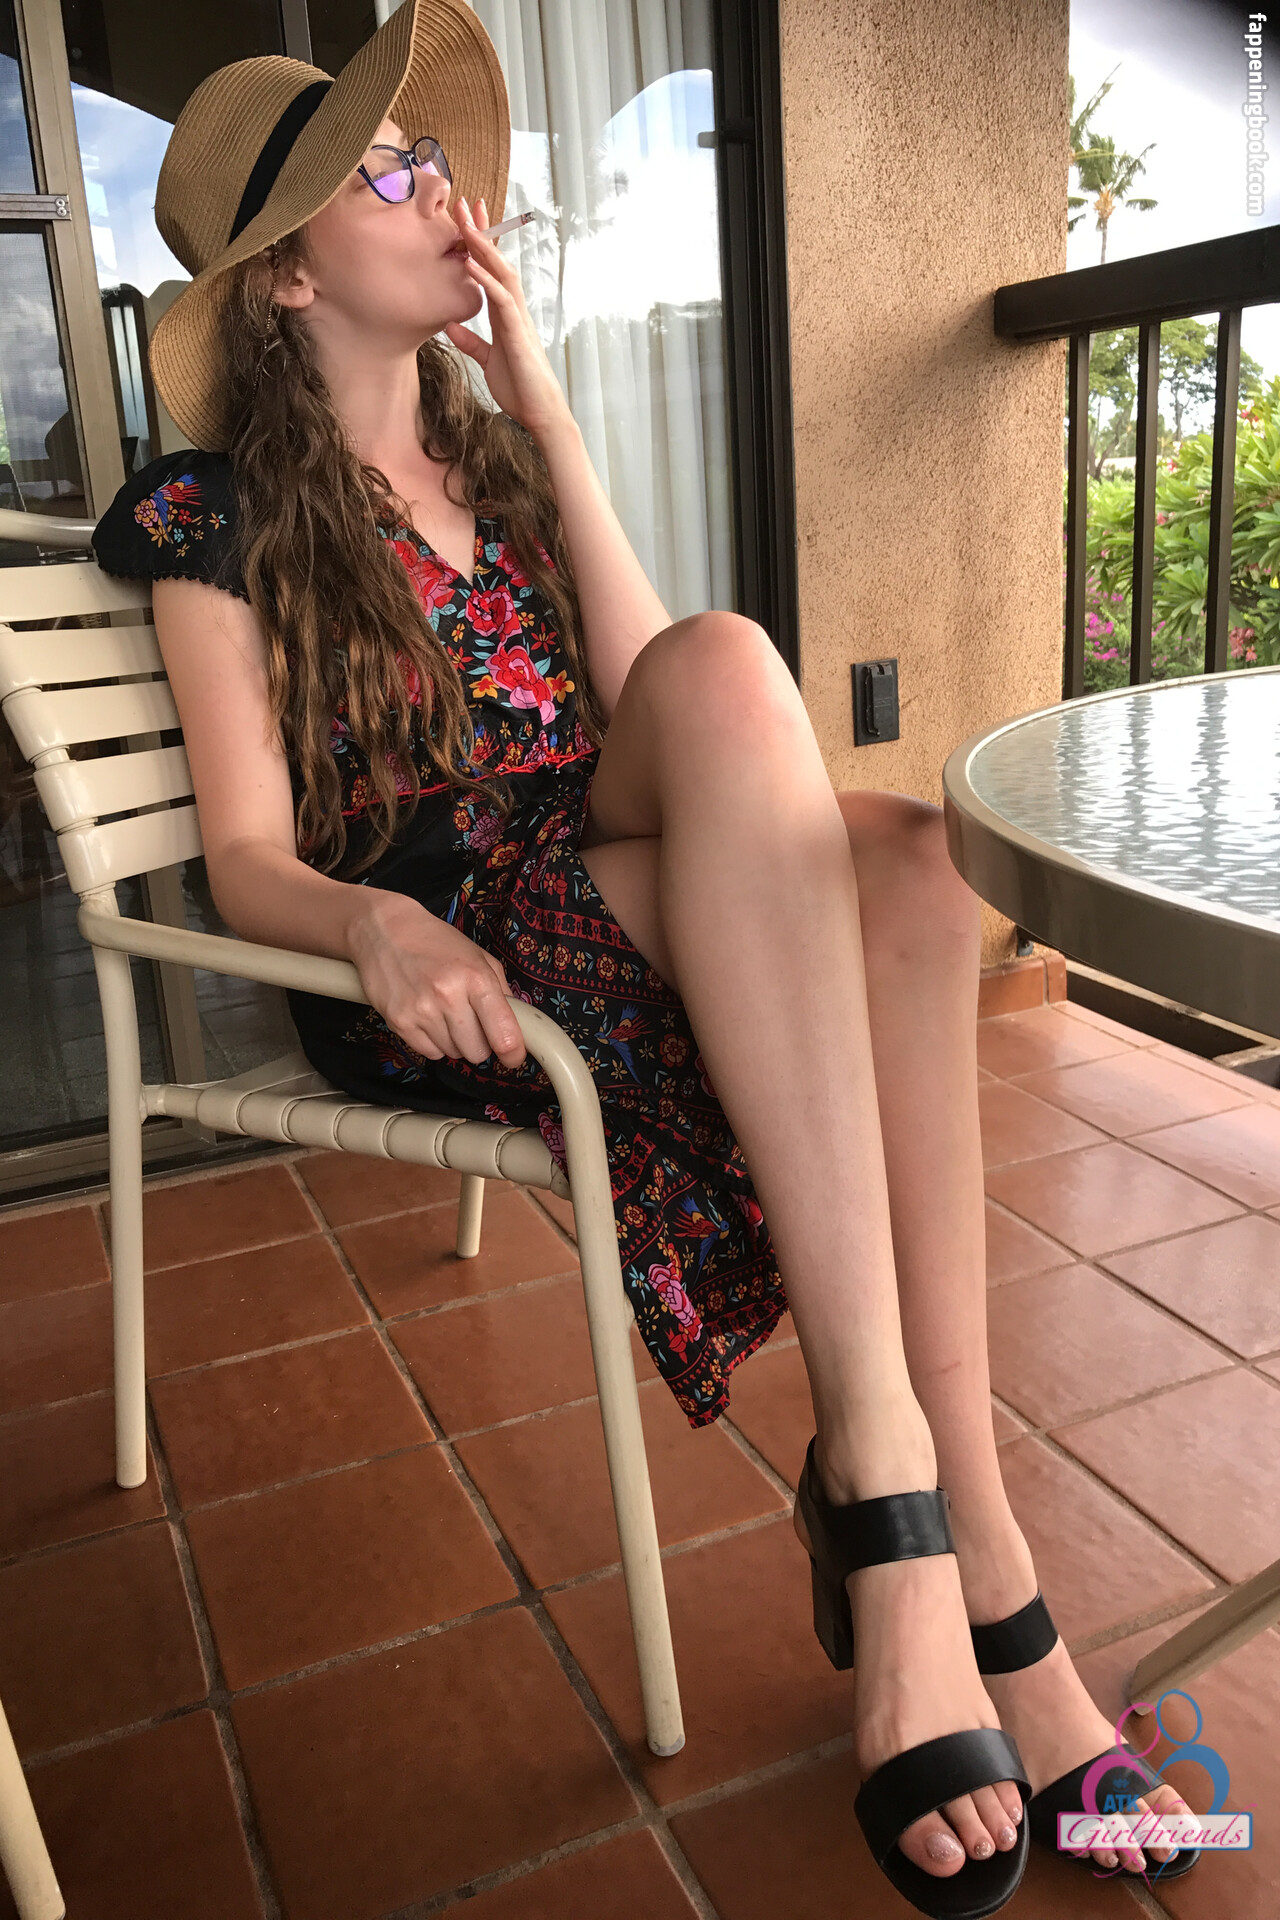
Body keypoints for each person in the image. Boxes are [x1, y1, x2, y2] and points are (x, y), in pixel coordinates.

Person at [89, 4, 1199, 1911]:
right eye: (386, 171)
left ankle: (922, 1494)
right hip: (437, 941)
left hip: (598, 867)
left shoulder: (495, 464)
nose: (440, 188)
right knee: (814, 779)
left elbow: (654, 704)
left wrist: (549, 418)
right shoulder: (220, 516)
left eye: (432, 157)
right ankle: (937, 1544)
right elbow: (252, 860)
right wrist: (373, 919)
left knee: (905, 858)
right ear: (284, 279)